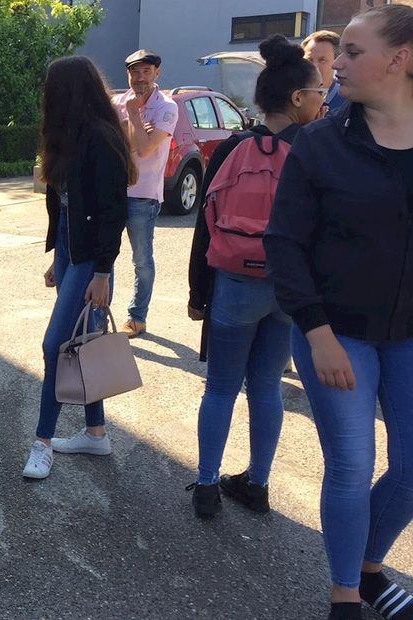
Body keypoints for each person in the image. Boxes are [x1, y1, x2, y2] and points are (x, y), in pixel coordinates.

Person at [264, 6, 413, 619]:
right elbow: (284, 243)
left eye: (352, 53)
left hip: (407, 336)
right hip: (336, 334)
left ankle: (370, 566)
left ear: (399, 61)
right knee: (353, 465)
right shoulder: (321, 143)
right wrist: (317, 335)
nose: (335, 66)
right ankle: (345, 596)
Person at [185, 34, 326, 520]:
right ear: (296, 98)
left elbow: (203, 229)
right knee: (266, 387)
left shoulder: (231, 148)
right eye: (317, 94)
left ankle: (207, 486)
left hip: (235, 284)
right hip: (289, 289)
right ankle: (258, 483)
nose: (322, 101)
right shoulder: (316, 152)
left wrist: (198, 295)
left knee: (220, 388)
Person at [21, 56, 136, 480]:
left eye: (50, 89)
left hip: (91, 259)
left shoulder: (101, 138)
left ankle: (43, 442)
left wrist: (103, 272)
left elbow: (113, 212)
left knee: (55, 346)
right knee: (82, 342)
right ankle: (96, 432)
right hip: (72, 253)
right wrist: (57, 256)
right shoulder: (67, 137)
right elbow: (63, 209)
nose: (45, 98)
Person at [111, 49, 178, 339]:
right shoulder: (117, 103)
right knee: (105, 256)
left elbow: (146, 149)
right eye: (134, 72)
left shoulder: (168, 107)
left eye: (146, 71)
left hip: (144, 195)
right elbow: (116, 144)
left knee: (142, 260)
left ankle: (137, 318)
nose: (139, 78)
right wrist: (138, 132)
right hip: (114, 191)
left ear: (157, 73)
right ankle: (99, 316)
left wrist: (136, 119)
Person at [303, 30, 350, 115]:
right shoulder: (293, 101)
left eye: (322, 60)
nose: (315, 66)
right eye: (309, 60)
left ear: (337, 62)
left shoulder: (348, 102)